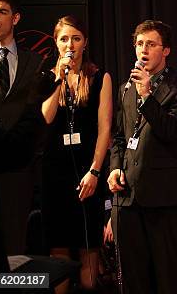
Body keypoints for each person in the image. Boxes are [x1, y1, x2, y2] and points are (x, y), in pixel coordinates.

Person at [107, 20, 177, 294]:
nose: (143, 50)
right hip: (128, 196)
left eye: (151, 44)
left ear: (166, 50)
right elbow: (120, 137)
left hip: (164, 198)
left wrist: (147, 95)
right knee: (133, 277)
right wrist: (114, 167)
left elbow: (171, 132)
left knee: (167, 275)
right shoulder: (125, 88)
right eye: (139, 44)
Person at [40, 15, 113, 293]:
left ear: (85, 42)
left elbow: (105, 128)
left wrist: (95, 171)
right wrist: (59, 79)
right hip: (54, 171)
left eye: (76, 38)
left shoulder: (99, 77)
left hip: (87, 168)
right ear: (56, 43)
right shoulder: (48, 78)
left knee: (87, 245)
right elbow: (45, 118)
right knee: (58, 246)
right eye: (64, 39)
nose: (70, 44)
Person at [0, 0, 45, 255]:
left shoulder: (34, 61)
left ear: (16, 18)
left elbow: (36, 112)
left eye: (2, 11)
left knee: (14, 245)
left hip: (17, 167)